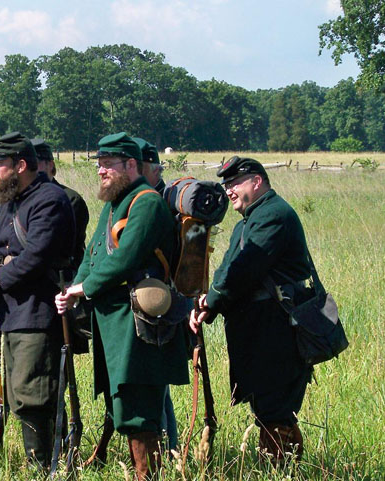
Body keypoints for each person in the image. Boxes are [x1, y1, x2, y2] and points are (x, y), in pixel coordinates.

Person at [55, 132, 188, 480]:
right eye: (99, 166)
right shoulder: (114, 204)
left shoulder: (146, 202)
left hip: (138, 320)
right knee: (124, 404)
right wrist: (74, 288)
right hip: (115, 321)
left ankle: (148, 476)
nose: (101, 172)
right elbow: (94, 253)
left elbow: (127, 258)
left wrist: (86, 288)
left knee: (139, 409)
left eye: (108, 165)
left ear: (131, 165)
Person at [190, 156, 313, 462]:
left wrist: (213, 301)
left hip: (278, 329)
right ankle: (284, 469)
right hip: (261, 330)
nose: (228, 191)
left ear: (256, 182)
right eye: (226, 185)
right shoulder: (251, 219)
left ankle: (279, 471)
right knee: (268, 406)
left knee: (275, 409)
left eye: (234, 183)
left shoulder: (273, 215)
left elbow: (245, 269)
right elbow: (227, 270)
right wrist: (209, 304)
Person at [0, 132, 75, 471]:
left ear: (20, 165)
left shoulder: (50, 199)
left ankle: (44, 468)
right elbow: (0, 249)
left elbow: (35, 257)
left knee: (34, 396)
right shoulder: (11, 203)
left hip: (40, 312)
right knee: (18, 395)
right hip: (13, 312)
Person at [133, 136, 179, 453]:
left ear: (152, 169)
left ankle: (166, 449)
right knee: (154, 385)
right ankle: (167, 447)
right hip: (150, 301)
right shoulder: (146, 198)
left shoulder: (155, 203)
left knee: (155, 385)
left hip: (158, 303)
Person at [31, 138, 89, 268]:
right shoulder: (19, 199)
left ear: (50, 165)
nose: (31, 169)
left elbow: (53, 243)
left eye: (35, 162)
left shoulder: (70, 199)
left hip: (59, 275)